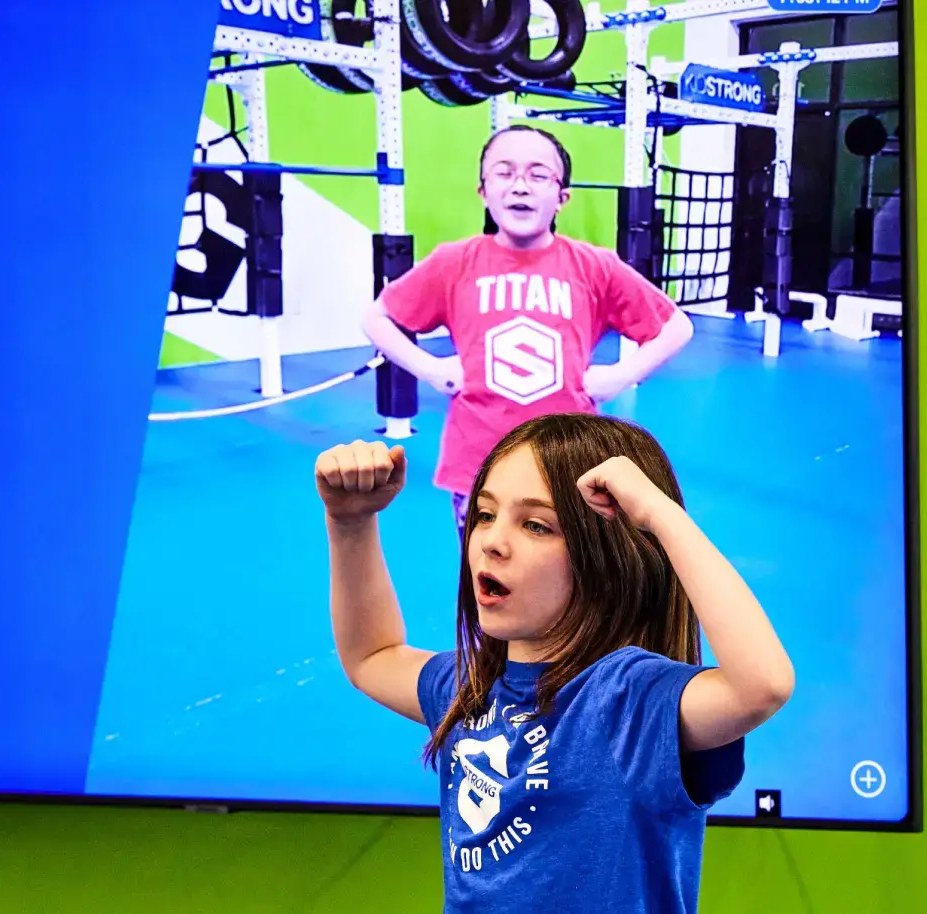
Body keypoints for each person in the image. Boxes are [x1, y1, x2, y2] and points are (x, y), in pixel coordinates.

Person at [313, 413, 793, 913]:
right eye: (483, 514)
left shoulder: (630, 700)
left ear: (613, 553)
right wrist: (350, 522)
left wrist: (658, 513)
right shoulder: (470, 688)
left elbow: (762, 685)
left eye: (536, 525)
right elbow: (371, 656)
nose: (492, 541)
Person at [362, 125, 696, 540]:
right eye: (504, 173)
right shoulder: (455, 262)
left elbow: (676, 326)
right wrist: (432, 370)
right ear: (483, 191)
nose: (520, 186)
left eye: (538, 174)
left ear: (562, 197)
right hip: (479, 468)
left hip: (567, 465)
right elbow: (377, 318)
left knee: (571, 585)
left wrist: (618, 376)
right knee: (486, 586)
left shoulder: (593, 266)